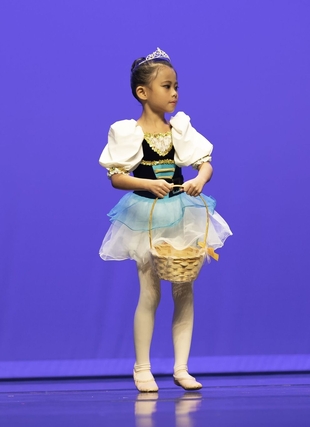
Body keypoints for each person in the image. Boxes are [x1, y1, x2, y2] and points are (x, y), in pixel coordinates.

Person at [99, 47, 232, 392]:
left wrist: (200, 179)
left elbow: (204, 163)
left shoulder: (179, 129)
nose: (174, 93)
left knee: (184, 288)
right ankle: (142, 367)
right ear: (143, 92)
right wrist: (146, 184)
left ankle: (181, 367)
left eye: (176, 87)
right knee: (150, 291)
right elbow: (116, 177)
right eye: (167, 86)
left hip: (181, 214)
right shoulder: (128, 132)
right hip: (146, 215)